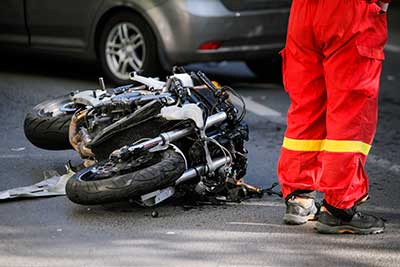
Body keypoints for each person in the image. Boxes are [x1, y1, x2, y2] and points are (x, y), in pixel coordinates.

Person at [277, 0, 390, 234]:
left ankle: (300, 198)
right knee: (350, 113)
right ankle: (340, 207)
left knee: (307, 106)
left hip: (305, 11)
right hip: (351, 13)